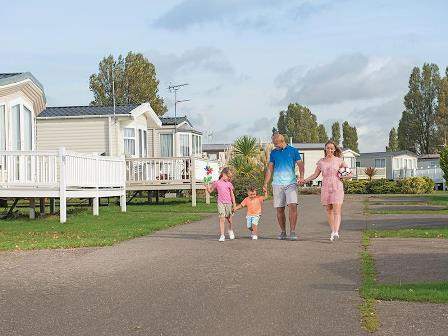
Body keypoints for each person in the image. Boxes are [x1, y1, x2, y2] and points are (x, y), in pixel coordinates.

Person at [300, 140, 352, 241]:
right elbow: (315, 175)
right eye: (328, 148)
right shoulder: (321, 162)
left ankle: (336, 232)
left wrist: (343, 176)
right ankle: (333, 231)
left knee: (337, 211)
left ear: (334, 149)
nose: (330, 150)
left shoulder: (339, 160)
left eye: (332, 148)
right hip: (326, 187)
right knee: (329, 211)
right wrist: (304, 180)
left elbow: (350, 174)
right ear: (325, 149)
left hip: (337, 187)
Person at [263, 133, 304, 241]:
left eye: (275, 143)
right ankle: (283, 231)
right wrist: (265, 183)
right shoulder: (273, 153)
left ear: (281, 141)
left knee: (293, 206)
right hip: (277, 183)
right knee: (280, 209)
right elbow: (270, 169)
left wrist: (302, 177)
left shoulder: (293, 151)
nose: (274, 145)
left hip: (291, 183)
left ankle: (293, 231)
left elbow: (300, 164)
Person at [206, 167, 236, 242]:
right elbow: (210, 191)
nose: (229, 178)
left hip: (228, 203)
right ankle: (222, 235)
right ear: (223, 174)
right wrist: (207, 186)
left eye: (230, 177)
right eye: (228, 176)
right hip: (220, 203)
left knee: (229, 219)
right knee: (222, 218)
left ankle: (230, 230)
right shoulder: (217, 183)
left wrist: (234, 204)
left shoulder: (229, 184)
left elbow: (232, 195)